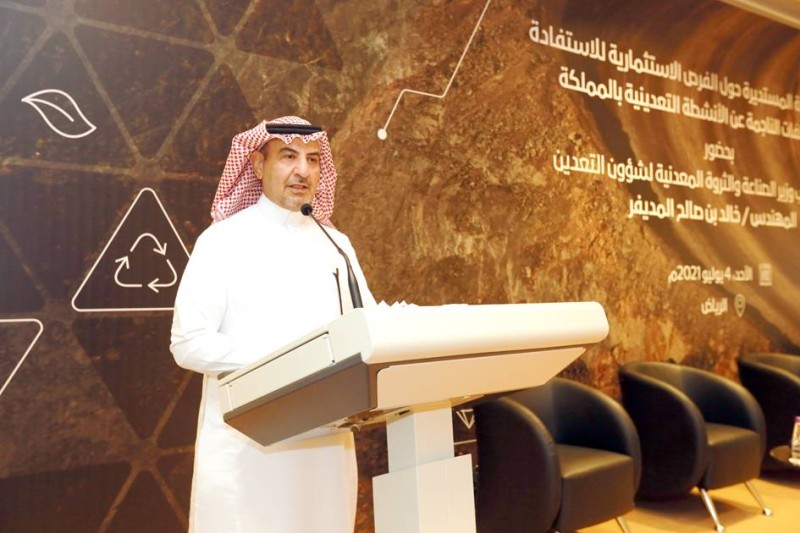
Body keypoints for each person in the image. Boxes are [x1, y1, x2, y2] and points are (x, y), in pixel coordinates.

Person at [170, 116, 375, 532]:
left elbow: (369, 328)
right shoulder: (223, 241)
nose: (303, 171)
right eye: (288, 157)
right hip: (248, 450)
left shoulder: (336, 244)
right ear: (258, 164)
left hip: (325, 446)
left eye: (313, 159)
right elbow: (188, 342)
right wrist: (288, 362)